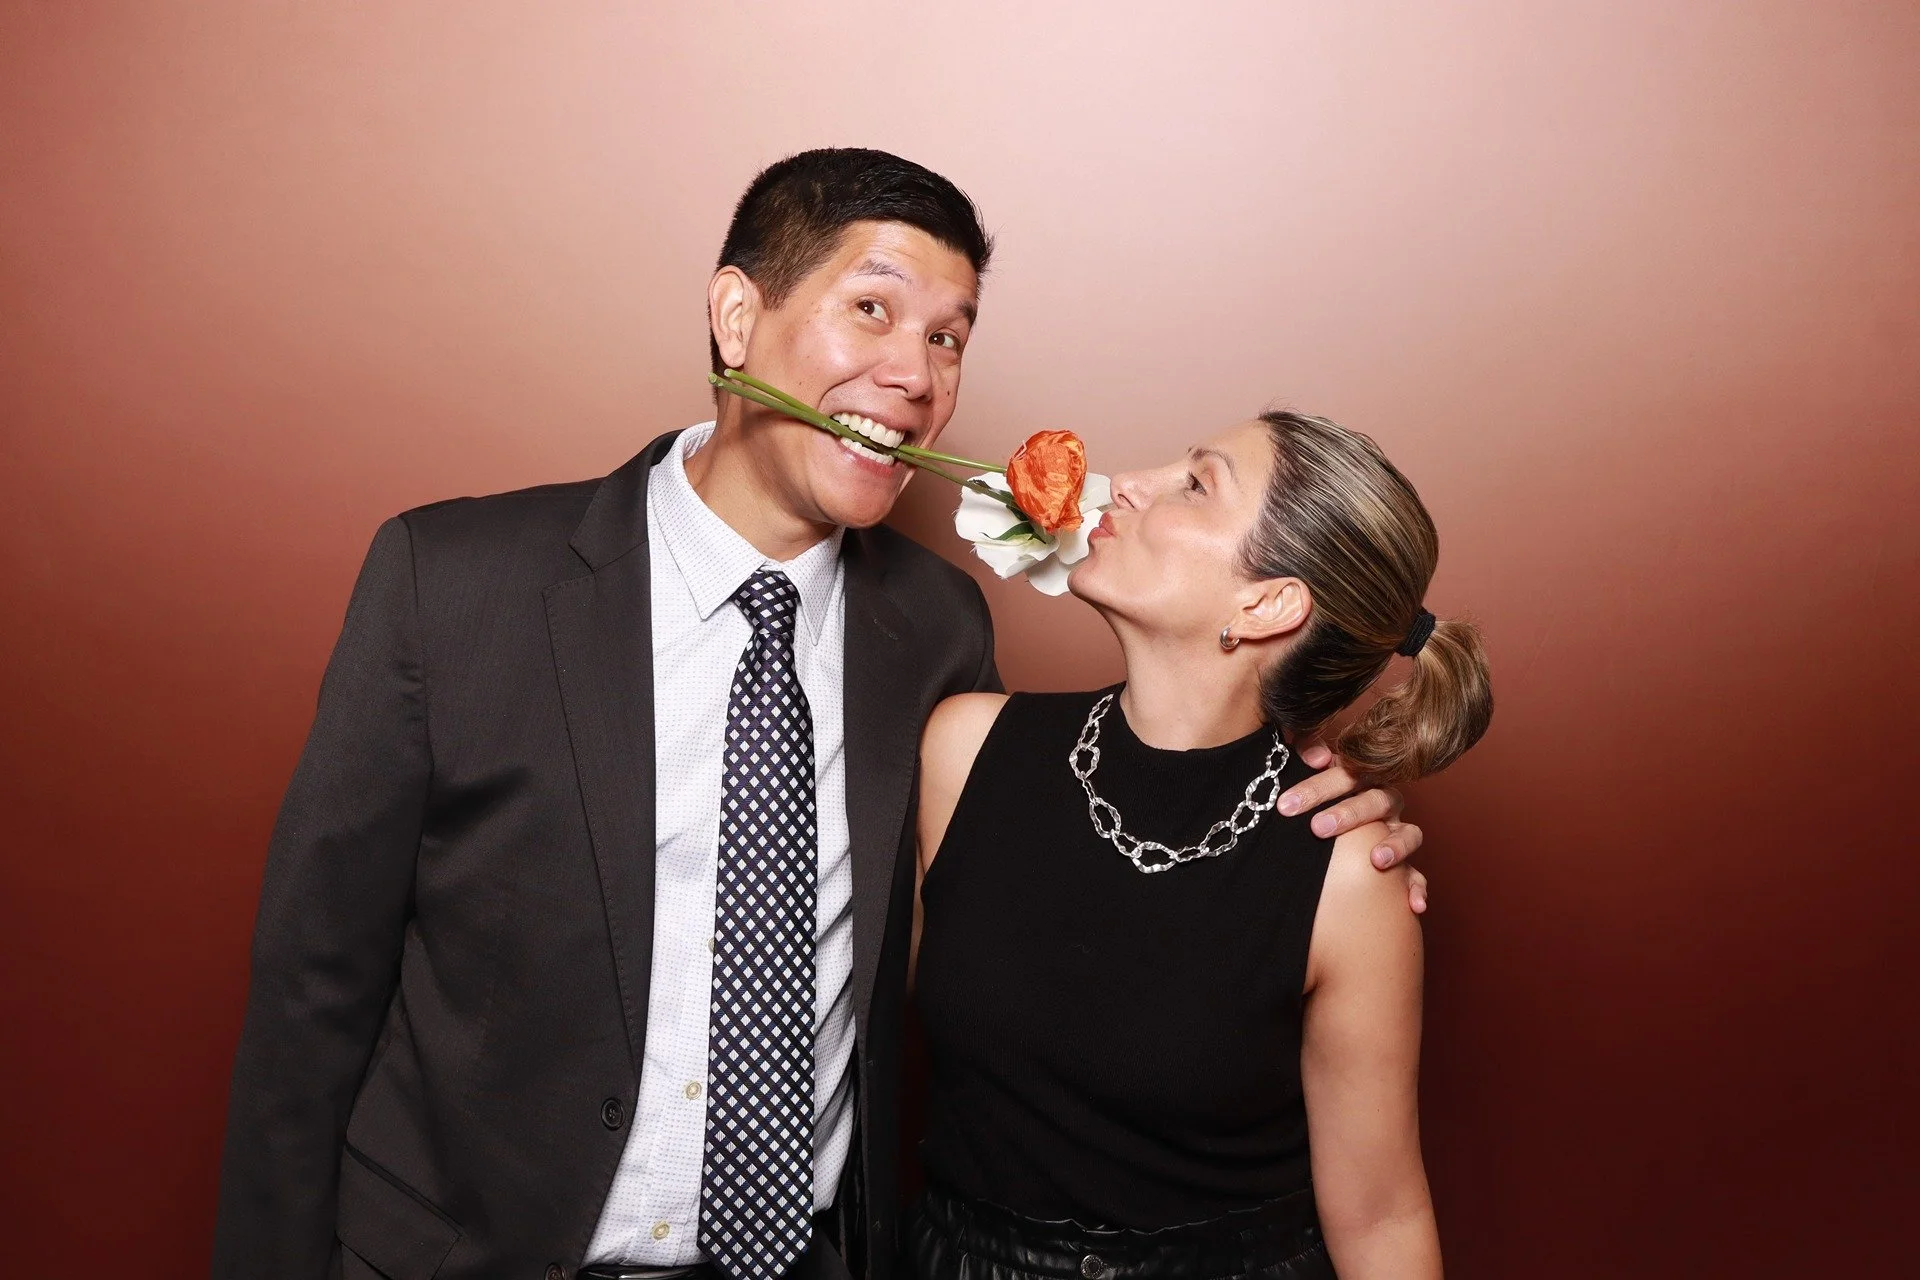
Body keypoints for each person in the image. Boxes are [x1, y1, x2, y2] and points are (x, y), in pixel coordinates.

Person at [212, 148, 1424, 1280]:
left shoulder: (936, 632)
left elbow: (1087, 894)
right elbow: (312, 993)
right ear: (737, 318)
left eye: (949, 338)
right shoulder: (454, 582)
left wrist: (1315, 802)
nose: (916, 374)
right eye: (873, 309)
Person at [912, 410, 1491, 1278]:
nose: (1127, 483)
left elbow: (1381, 1218)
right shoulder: (965, 750)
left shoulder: (1347, 874)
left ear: (1267, 604)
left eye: (1195, 483)